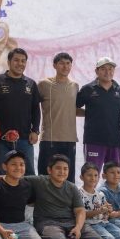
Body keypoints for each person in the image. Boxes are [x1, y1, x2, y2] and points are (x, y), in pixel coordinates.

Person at [0, 48, 40, 175]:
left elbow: (36, 110)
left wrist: (35, 131)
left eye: (23, 61)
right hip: (1, 139)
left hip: (25, 139)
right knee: (1, 174)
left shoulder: (31, 84)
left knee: (28, 174)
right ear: (9, 62)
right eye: (16, 60)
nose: (20, 63)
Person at [76, 57, 120, 172]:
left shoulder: (119, 90)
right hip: (94, 140)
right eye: (103, 69)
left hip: (115, 140)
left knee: (114, 175)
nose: (107, 72)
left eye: (110, 69)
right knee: (92, 174)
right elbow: (74, 108)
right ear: (96, 71)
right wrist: (90, 113)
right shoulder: (88, 89)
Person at [37, 53, 80, 182]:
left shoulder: (75, 86)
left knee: (68, 179)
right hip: (49, 138)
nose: (65, 66)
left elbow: (73, 109)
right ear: (54, 65)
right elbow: (32, 107)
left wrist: (96, 112)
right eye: (61, 63)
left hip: (69, 139)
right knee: (45, 177)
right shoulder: (43, 84)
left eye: (68, 63)